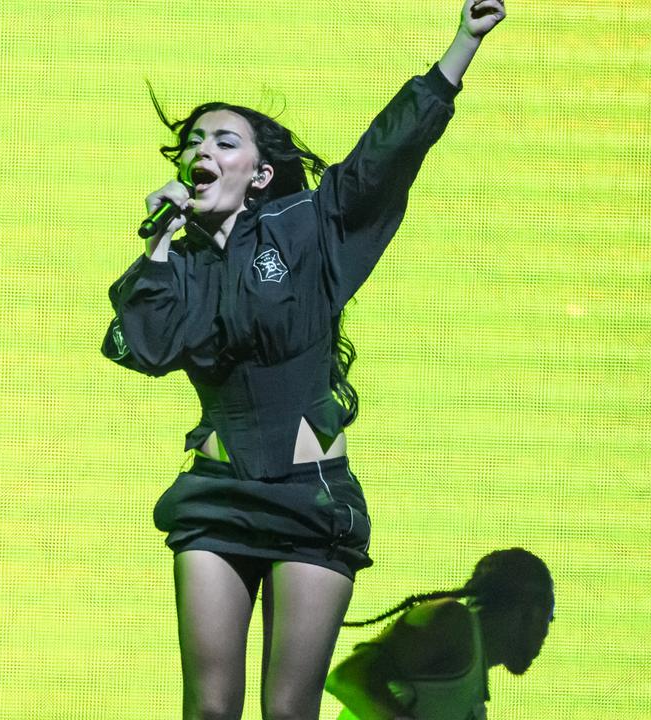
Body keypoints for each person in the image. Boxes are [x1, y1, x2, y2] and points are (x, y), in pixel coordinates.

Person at [100, 2, 506, 718]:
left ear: (259, 174)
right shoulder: (183, 265)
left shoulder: (306, 228)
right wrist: (159, 242)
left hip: (311, 500)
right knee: (209, 710)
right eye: (195, 142)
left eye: (226, 142)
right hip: (217, 497)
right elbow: (150, 345)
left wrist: (460, 48)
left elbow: (384, 158)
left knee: (289, 711)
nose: (204, 152)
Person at [325, 549, 554, 720]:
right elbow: (347, 678)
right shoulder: (454, 621)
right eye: (548, 617)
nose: (545, 634)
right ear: (530, 613)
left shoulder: (474, 681)